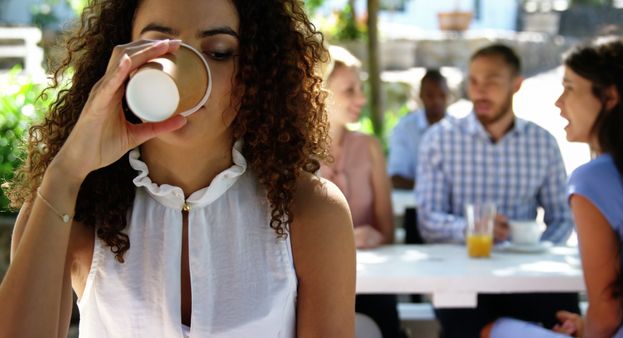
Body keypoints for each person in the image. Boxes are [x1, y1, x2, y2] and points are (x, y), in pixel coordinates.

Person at [0, 0, 356, 337]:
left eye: (218, 52)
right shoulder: (70, 205)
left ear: (255, 72)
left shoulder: (310, 210)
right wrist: (67, 171)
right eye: (155, 48)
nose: (181, 72)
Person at [415, 44, 578, 338]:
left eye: (491, 80)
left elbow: (562, 217)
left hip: (528, 275)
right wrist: (475, 229)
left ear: (517, 84)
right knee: (463, 320)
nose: (479, 90)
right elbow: (428, 220)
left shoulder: (543, 143)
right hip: (463, 275)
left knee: (566, 314)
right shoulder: (439, 140)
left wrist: (533, 251)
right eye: (474, 81)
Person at [483, 36, 623, 338]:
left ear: (610, 97)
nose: (558, 102)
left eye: (569, 88)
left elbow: (607, 313)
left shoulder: (593, 180)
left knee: (493, 330)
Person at [318, 45, 400, 338]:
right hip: (316, 283)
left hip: (372, 282)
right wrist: (345, 242)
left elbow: (387, 231)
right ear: (319, 92)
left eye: (360, 88)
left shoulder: (369, 147)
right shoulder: (293, 153)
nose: (361, 98)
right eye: (349, 90)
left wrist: (376, 236)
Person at [388, 69, 450, 190]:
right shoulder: (405, 128)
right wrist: (432, 190)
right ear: (420, 95)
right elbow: (395, 177)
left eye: (441, 95)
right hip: (413, 204)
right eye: (430, 95)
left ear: (448, 96)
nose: (436, 101)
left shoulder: (459, 129)